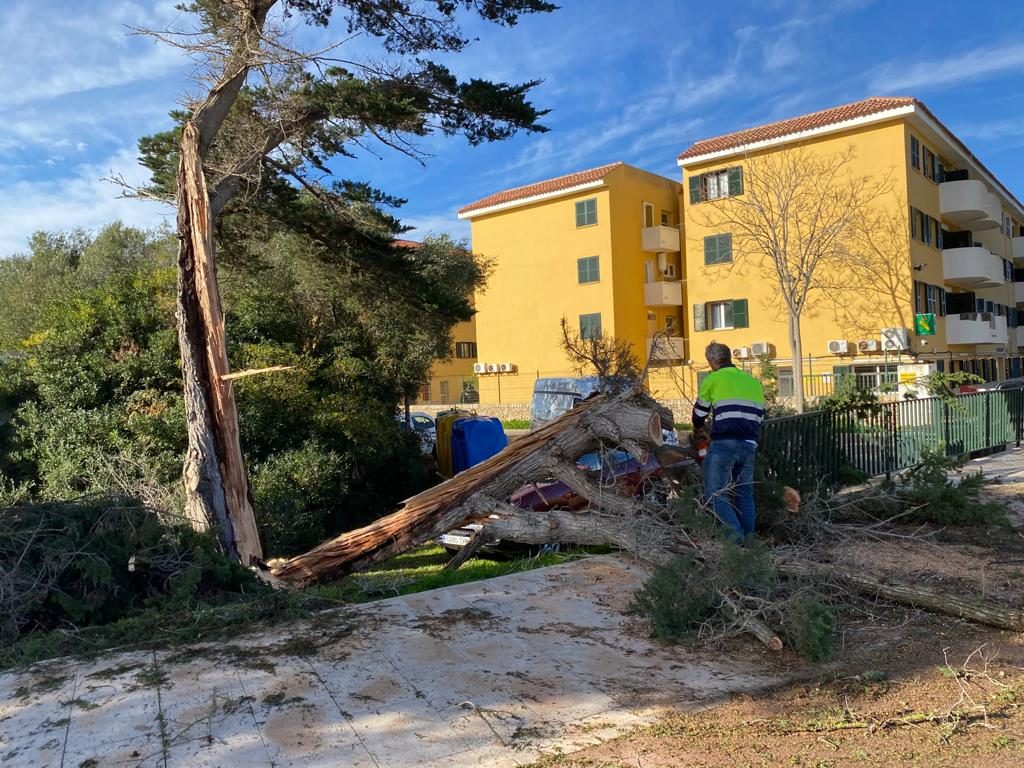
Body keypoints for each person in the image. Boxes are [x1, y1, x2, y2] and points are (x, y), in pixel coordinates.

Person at [691, 342, 766, 541]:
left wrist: (698, 429)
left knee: (715, 494)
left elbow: (699, 414)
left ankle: (735, 538)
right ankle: (750, 542)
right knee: (744, 494)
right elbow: (760, 417)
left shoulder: (714, 379)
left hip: (725, 443)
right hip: (749, 444)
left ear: (713, 361)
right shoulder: (752, 381)